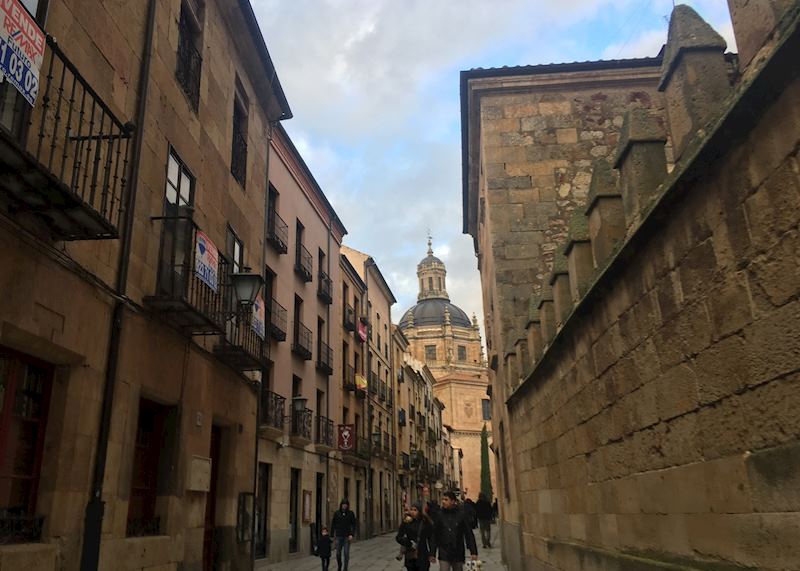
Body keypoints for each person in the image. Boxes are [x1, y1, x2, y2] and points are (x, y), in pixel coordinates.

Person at [431, 491, 478, 571]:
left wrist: (473, 551)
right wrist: (432, 553)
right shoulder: (439, 515)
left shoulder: (461, 515)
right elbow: (435, 535)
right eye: (443, 499)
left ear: (453, 501)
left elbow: (468, 534)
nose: (443, 502)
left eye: (446, 500)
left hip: (458, 552)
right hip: (444, 552)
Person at [396, 503, 435, 571]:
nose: (412, 512)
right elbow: (398, 537)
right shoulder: (406, 521)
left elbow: (431, 538)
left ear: (419, 511)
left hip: (422, 553)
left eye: (415, 510)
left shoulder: (424, 522)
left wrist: (432, 553)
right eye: (411, 509)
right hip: (410, 553)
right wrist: (408, 543)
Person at [331, 499, 357, 571]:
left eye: (346, 504)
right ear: (341, 505)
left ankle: (345, 568)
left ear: (348, 505)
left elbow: (354, 524)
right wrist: (332, 534)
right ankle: (339, 565)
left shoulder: (351, 513)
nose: (344, 505)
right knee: (338, 554)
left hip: (347, 536)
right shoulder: (337, 513)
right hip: (339, 536)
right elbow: (333, 524)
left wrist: (352, 534)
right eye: (343, 504)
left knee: (346, 553)